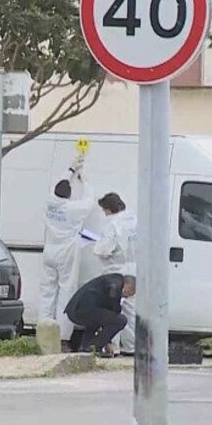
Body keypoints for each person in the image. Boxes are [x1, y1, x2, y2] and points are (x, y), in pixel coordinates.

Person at [38, 153, 95, 346]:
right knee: (65, 293)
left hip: (49, 251)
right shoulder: (72, 209)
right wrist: (84, 178)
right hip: (66, 254)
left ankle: (43, 332)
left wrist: (70, 170)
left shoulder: (49, 202)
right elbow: (89, 201)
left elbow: (58, 183)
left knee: (47, 293)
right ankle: (61, 336)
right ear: (69, 195)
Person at [94, 193, 137, 355]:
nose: (104, 214)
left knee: (113, 310)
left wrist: (96, 247)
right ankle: (131, 347)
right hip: (133, 270)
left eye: (104, 210)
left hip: (116, 272)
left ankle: (114, 346)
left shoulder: (114, 224)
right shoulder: (133, 219)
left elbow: (104, 249)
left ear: (110, 209)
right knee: (131, 310)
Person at [65, 274, 136, 357]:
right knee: (121, 320)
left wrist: (107, 341)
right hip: (84, 310)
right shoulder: (115, 284)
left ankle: (85, 347)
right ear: (128, 284)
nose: (126, 296)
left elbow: (105, 317)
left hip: (76, 310)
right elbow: (113, 306)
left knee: (97, 320)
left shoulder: (111, 279)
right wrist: (116, 308)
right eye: (131, 292)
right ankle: (95, 347)